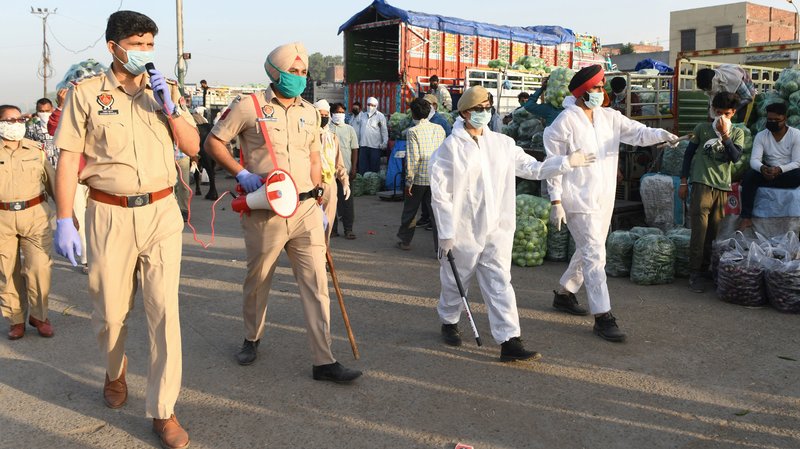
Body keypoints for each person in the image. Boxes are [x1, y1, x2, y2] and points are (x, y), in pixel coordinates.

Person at [53, 11, 199, 449]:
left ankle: (163, 410)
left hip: (160, 212)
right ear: (113, 46)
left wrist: (170, 109)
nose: (144, 52)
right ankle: (115, 372)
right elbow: (66, 159)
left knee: (164, 314)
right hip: (108, 213)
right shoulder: (85, 94)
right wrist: (64, 218)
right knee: (110, 314)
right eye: (137, 43)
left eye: (150, 44)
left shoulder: (165, 90)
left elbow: (192, 146)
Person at [204, 41, 362, 383]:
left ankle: (324, 360)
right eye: (293, 71)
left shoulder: (309, 112)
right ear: (274, 72)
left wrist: (319, 193)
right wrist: (241, 173)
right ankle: (252, 338)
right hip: (267, 208)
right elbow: (214, 142)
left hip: (306, 207)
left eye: (303, 72)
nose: (299, 78)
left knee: (317, 283)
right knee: (259, 279)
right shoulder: (249, 106)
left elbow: (314, 154)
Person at [429, 85, 596, 360]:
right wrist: (446, 232)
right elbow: (441, 194)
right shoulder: (450, 150)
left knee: (500, 283)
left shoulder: (502, 144)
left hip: (497, 228)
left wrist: (566, 162)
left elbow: (533, 168)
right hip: (463, 230)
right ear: (465, 113)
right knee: (455, 280)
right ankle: (449, 320)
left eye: (487, 108)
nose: (485, 113)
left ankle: (510, 341)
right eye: (479, 109)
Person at [545, 65, 679, 342]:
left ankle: (565, 293)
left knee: (589, 248)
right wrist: (555, 199)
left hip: (605, 197)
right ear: (583, 93)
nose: (601, 92)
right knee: (595, 254)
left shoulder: (610, 117)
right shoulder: (564, 123)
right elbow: (553, 165)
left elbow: (639, 133)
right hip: (577, 199)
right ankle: (603, 316)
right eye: (596, 88)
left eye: (601, 87)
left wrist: (662, 135)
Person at [0, 104, 56, 340]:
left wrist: (66, 215)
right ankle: (15, 319)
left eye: (19, 119)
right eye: (9, 120)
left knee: (39, 268)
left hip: (35, 214)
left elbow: (53, 182)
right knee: (6, 271)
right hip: (2, 218)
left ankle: (39, 316)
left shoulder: (37, 150)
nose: (16, 124)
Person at [678, 92, 743, 292]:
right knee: (699, 231)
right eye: (718, 112)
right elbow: (688, 156)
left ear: (733, 113)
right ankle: (695, 272)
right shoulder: (702, 129)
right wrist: (683, 181)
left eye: (726, 113)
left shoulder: (737, 133)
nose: (721, 117)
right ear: (713, 110)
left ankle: (707, 268)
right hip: (701, 184)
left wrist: (725, 135)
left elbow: (735, 157)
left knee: (713, 233)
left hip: (722, 187)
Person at [740, 102, 800, 230]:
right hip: (767, 171)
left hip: (787, 172)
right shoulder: (761, 136)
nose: (772, 122)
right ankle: (746, 217)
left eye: (777, 120)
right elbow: (755, 160)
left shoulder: (796, 135)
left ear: (785, 119)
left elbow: (797, 162)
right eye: (770, 119)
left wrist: (779, 170)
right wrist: (763, 169)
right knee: (749, 176)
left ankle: (767, 182)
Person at [396, 99, 445, 252]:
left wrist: (409, 181)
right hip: (436, 178)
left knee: (410, 210)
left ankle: (405, 241)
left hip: (418, 179)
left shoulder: (413, 131)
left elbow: (413, 157)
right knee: (436, 215)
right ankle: (440, 248)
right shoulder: (439, 129)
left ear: (414, 114)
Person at [314, 99, 351, 241]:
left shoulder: (332, 137)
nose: (323, 117)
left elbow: (338, 163)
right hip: (312, 184)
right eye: (320, 114)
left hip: (329, 184)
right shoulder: (308, 136)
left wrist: (345, 182)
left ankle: (324, 251)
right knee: (312, 223)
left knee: (328, 222)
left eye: (325, 115)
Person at [329, 102, 359, 239]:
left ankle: (348, 229)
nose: (339, 115)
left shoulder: (349, 129)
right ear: (331, 114)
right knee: (330, 202)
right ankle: (332, 229)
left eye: (342, 112)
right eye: (337, 112)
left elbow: (354, 150)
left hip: (345, 171)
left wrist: (353, 168)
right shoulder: (326, 129)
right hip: (329, 172)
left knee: (347, 202)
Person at [355, 96, 387, 174]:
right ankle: (363, 184)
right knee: (362, 168)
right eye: (368, 104)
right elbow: (358, 129)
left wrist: (385, 142)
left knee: (374, 170)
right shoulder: (362, 115)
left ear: (376, 106)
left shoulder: (380, 116)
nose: (370, 107)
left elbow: (384, 131)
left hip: (375, 147)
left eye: (372, 105)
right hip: (363, 146)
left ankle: (373, 185)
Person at [25, 98, 57, 167]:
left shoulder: (60, 125)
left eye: (47, 111)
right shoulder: (31, 128)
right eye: (41, 111)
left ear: (52, 109)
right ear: (37, 111)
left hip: (60, 165)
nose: (44, 114)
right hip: (42, 166)